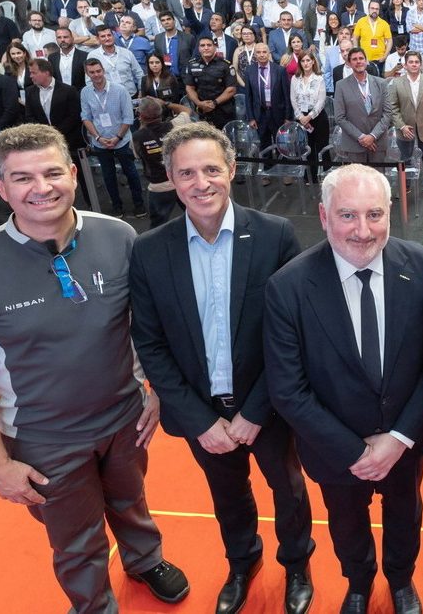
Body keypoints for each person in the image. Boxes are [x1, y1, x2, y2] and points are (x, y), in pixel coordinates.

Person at [0, 124, 190, 614]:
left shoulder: (119, 237)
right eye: (22, 178)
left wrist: (156, 390)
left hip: (126, 419)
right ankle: (93, 604)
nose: (42, 187)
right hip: (44, 438)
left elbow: (148, 325)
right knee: (75, 537)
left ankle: (145, 558)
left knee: (131, 499)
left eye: (52, 172)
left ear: (74, 173)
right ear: (0, 187)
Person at [129, 122, 315, 614]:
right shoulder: (149, 251)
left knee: (289, 489)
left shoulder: (274, 235)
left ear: (231, 169)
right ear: (170, 178)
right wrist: (199, 420)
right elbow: (150, 344)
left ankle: (297, 564)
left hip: (269, 406)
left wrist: (256, 412)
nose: (201, 182)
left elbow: (294, 336)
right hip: (201, 410)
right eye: (187, 173)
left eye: (211, 169)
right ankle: (242, 562)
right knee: (227, 494)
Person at [265, 164, 423, 614]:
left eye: (374, 214)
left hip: (404, 443)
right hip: (333, 450)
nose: (363, 231)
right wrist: (356, 452)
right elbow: (288, 389)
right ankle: (358, 583)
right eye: (348, 215)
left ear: (389, 213)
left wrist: (397, 440)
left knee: (406, 515)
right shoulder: (288, 287)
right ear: (324, 216)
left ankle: (401, 580)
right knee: (346, 524)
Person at [81, 58, 146, 218]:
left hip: (122, 140)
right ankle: (117, 206)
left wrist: (117, 137)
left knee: (131, 173)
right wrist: (98, 137)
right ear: (87, 74)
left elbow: (128, 118)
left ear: (103, 70)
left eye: (98, 71)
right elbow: (86, 118)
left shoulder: (120, 90)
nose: (96, 75)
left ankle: (139, 205)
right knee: (108, 176)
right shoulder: (85, 92)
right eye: (92, 72)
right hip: (100, 142)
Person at [23, 57, 91, 208]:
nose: (31, 76)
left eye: (34, 72)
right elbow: (29, 116)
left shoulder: (68, 90)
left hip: (71, 142)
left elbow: (74, 116)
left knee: (82, 177)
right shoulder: (30, 92)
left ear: (46, 72)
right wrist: (44, 134)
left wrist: (55, 133)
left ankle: (91, 204)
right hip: (45, 145)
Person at [386, 50, 423, 198]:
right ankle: (406, 186)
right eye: (411, 62)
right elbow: (393, 108)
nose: (414, 64)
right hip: (405, 128)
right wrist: (402, 126)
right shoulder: (396, 83)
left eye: (417, 62)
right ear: (405, 65)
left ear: (420, 64)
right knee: (405, 158)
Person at [243, 42, 293, 180]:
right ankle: (267, 171)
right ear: (255, 54)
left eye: (264, 52)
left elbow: (286, 95)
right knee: (264, 144)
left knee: (282, 143)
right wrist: (251, 117)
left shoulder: (279, 70)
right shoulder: (249, 70)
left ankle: (285, 172)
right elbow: (248, 96)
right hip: (260, 114)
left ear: (269, 53)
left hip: (278, 113)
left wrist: (288, 116)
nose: (261, 55)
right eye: (258, 52)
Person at [128, 98, 179, 228]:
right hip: (182, 180)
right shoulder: (175, 125)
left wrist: (143, 124)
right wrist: (166, 103)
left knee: (157, 225)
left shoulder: (136, 137)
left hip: (159, 185)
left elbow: (137, 155)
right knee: (196, 215)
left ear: (141, 116)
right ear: (161, 113)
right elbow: (186, 110)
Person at [333, 46, 390, 162]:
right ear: (349, 63)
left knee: (377, 174)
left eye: (361, 58)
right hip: (354, 145)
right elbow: (340, 117)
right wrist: (362, 137)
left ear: (366, 61)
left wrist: (372, 136)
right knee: (357, 175)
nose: (358, 61)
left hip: (378, 143)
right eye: (354, 59)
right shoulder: (341, 85)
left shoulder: (381, 83)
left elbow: (388, 114)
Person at [289, 50, 332, 183]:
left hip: (318, 117)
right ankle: (310, 176)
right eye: (303, 61)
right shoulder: (295, 78)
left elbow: (321, 100)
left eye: (308, 60)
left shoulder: (319, 78)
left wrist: (310, 116)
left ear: (313, 61)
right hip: (301, 117)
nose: (306, 63)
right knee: (307, 148)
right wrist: (300, 116)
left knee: (322, 147)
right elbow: (293, 99)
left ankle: (326, 177)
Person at [185, 35, 238, 129]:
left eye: (209, 45)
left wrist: (214, 103)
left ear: (215, 47)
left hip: (223, 111)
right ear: (199, 48)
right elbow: (189, 88)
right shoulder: (191, 64)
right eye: (202, 45)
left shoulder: (226, 65)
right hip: (201, 110)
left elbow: (231, 89)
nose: (206, 48)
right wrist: (199, 103)